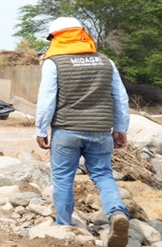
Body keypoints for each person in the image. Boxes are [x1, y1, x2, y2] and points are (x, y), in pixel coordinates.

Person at [35, 16, 131, 247]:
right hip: (100, 131)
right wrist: (120, 128)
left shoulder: (53, 62)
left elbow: (47, 99)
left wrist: (41, 128)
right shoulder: (106, 62)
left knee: (62, 177)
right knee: (103, 174)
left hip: (66, 131)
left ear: (55, 38)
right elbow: (120, 97)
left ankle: (64, 223)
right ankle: (117, 213)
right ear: (83, 33)